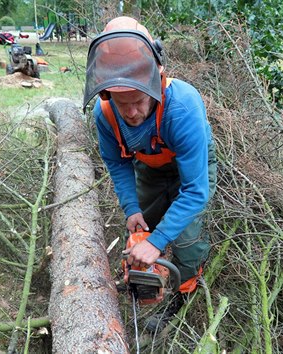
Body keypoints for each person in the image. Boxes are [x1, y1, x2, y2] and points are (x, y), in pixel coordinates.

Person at [82, 16, 218, 330]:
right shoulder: (104, 114)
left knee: (187, 239)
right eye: (121, 102)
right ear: (106, 93)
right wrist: (131, 208)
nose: (131, 112)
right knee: (143, 221)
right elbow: (116, 162)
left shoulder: (182, 108)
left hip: (191, 166)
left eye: (139, 101)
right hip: (151, 165)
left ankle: (182, 301)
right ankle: (146, 280)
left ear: (157, 80)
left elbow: (196, 190)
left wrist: (157, 243)